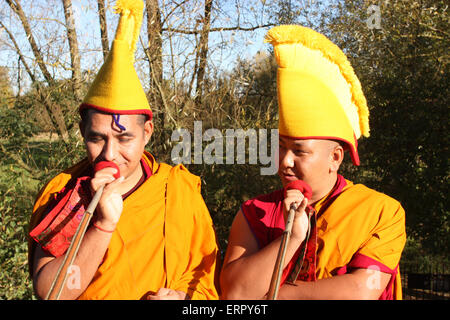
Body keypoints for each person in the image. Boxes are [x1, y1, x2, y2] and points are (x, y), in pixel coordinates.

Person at [28, 0, 219, 300]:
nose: (109, 155)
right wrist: (102, 226)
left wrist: (184, 301)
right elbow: (52, 293)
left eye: (124, 138)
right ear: (82, 133)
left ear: (147, 133)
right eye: (97, 138)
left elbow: (204, 282)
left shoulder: (177, 192)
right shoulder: (69, 197)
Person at [220, 25, 406, 300]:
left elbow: (362, 291)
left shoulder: (380, 211)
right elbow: (234, 296)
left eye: (299, 151)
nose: (285, 162)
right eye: (281, 148)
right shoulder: (255, 212)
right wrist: (291, 237)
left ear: (335, 158)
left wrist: (278, 296)